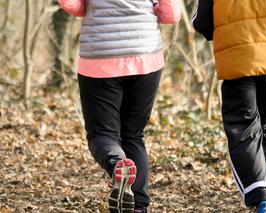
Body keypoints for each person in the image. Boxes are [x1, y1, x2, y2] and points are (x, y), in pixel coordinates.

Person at [58, 0, 181, 212]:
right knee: (133, 134)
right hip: (145, 53)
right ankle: (139, 205)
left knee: (102, 134)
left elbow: (72, 6)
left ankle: (118, 165)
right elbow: (171, 14)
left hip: (100, 57)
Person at [194, 0, 266, 212]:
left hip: (237, 53)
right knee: (265, 121)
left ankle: (263, 201)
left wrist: (219, 31)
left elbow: (201, 20)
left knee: (243, 129)